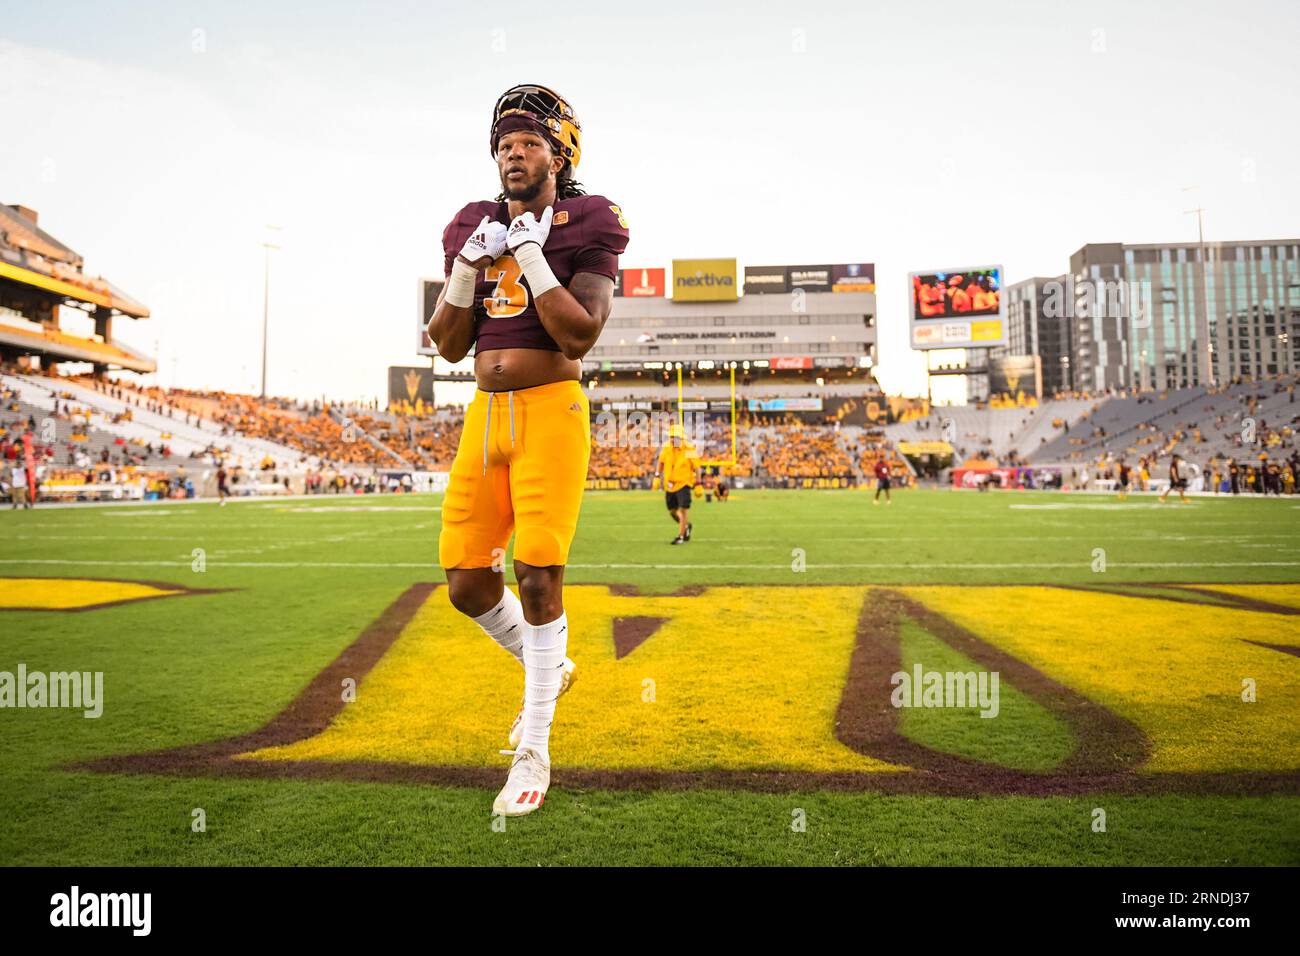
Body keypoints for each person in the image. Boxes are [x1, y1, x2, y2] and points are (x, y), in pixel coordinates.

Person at [425, 84, 629, 817]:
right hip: (485, 418)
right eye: (504, 144)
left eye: (530, 143)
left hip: (550, 410)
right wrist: (467, 269)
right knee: (466, 584)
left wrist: (533, 256)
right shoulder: (470, 224)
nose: (514, 154)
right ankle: (553, 667)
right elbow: (447, 347)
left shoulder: (590, 218)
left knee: (539, 578)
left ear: (559, 154)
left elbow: (578, 335)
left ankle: (534, 747)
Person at [653, 423, 700, 544]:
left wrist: (698, 484)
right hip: (670, 484)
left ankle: (681, 536)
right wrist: (657, 476)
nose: (674, 439)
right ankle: (686, 526)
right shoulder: (667, 448)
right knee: (673, 510)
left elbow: (697, 468)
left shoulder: (689, 449)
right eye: (672, 437)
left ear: (682, 438)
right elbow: (660, 462)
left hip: (684, 483)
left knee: (683, 509)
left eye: (676, 437)